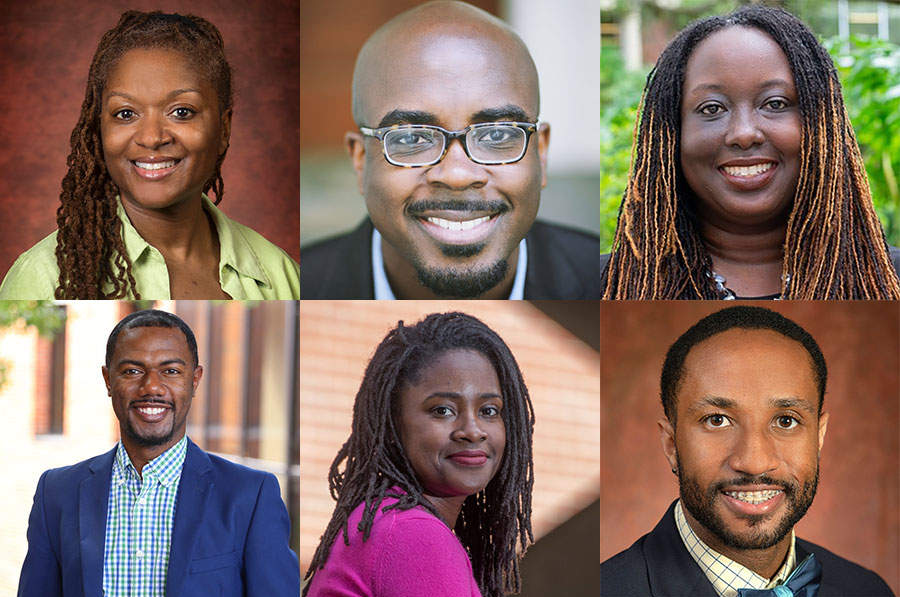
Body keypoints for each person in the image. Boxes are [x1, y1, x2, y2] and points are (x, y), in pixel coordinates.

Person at [300, 1, 601, 300]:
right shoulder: (296, 287)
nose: (457, 174)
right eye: (411, 139)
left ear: (541, 153)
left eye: (497, 134)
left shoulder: (606, 280)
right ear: (360, 160)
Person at [601, 5, 900, 299]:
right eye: (712, 108)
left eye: (775, 104)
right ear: (672, 134)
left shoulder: (885, 281)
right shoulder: (610, 287)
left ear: (822, 124)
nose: (744, 134)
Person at [0, 11, 300, 300]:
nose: (152, 137)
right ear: (99, 129)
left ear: (223, 129)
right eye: (126, 113)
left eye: (182, 112)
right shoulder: (42, 278)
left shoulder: (282, 275)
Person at [600, 305, 895, 597]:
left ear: (819, 436)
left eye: (786, 421)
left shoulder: (868, 591)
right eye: (717, 420)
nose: (754, 463)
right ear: (671, 444)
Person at [17, 309, 300, 597]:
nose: (151, 386)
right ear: (108, 380)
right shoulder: (57, 493)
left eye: (171, 371)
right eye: (132, 371)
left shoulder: (250, 496)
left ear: (195, 380)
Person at [303, 312, 535, 597]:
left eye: (489, 410)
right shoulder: (413, 534)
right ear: (393, 423)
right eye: (443, 410)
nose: (473, 432)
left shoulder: (390, 520)